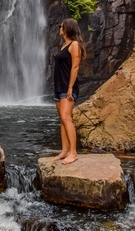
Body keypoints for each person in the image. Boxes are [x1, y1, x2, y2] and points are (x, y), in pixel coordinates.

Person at [52, 18, 85, 165]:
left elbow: (75, 67)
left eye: (61, 26)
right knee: (62, 120)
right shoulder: (64, 45)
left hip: (67, 88)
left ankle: (73, 152)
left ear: (67, 29)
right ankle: (65, 150)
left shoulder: (74, 44)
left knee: (66, 118)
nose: (59, 28)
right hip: (59, 88)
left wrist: (70, 87)